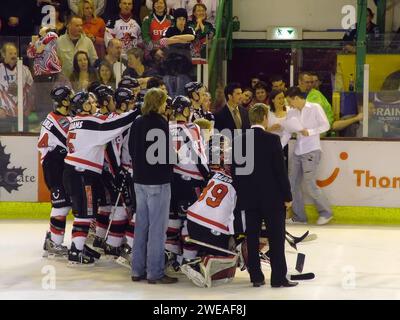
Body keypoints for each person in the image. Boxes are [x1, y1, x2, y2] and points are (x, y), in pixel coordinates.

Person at [63, 91, 138, 265]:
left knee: (84, 212)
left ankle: (78, 246)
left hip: (75, 171)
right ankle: (76, 251)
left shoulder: (76, 122)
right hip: (81, 173)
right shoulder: (90, 121)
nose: (96, 104)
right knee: (85, 213)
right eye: (92, 102)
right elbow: (115, 125)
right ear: (84, 106)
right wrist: (136, 112)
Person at [231, 103, 296, 288]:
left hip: (249, 198)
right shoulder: (272, 140)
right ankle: (278, 278)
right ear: (265, 118)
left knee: (252, 237)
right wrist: (287, 196)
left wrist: (242, 193)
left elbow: (235, 172)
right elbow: (280, 172)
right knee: (276, 237)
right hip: (272, 198)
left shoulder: (239, 140)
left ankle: (256, 277)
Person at [129, 87, 178, 284]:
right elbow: (167, 154)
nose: (166, 105)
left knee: (141, 227)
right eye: (164, 101)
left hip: (139, 181)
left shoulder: (138, 122)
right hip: (158, 182)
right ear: (158, 103)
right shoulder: (160, 123)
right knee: (157, 230)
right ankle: (154, 273)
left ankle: (137, 270)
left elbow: (132, 150)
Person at [284, 86, 332, 225]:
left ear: (297, 98)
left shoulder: (315, 108)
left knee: (310, 184)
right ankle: (300, 217)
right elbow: (287, 132)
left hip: (312, 150)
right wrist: (278, 145)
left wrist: (310, 132)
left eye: (290, 101)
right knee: (291, 184)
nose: (289, 104)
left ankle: (326, 212)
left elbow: (326, 125)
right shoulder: (292, 112)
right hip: (298, 151)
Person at [38, 86, 73, 259]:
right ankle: (54, 243)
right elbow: (70, 140)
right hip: (54, 165)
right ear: (65, 101)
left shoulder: (59, 117)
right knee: (62, 205)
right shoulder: (60, 121)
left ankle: (53, 239)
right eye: (71, 97)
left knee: (62, 204)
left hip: (56, 164)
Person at [0, 43, 34, 132]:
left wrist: (29, 108)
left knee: (24, 139)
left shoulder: (24, 69)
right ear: (3, 54)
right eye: (10, 53)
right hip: (4, 114)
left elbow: (32, 91)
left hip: (22, 113)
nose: (13, 56)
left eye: (15, 53)